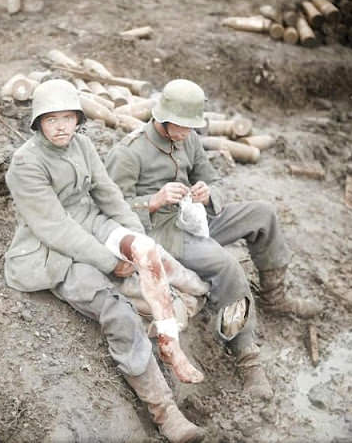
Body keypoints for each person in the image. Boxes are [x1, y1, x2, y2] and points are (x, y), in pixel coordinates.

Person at [4, 79, 215, 442]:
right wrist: (109, 261)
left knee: (153, 257)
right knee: (117, 310)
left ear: (77, 119)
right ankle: (165, 413)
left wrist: (136, 236)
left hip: (92, 225)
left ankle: (190, 305)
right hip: (54, 254)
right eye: (51, 119)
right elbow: (55, 229)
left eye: (68, 118)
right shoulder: (25, 163)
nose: (61, 127)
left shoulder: (82, 145)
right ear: (37, 122)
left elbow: (109, 195)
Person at [106, 79, 322, 399]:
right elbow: (111, 209)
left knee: (263, 214)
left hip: (194, 216)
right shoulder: (130, 151)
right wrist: (153, 200)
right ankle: (247, 357)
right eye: (180, 126)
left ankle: (275, 297)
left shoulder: (189, 138)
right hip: (162, 233)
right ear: (162, 119)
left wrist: (208, 194)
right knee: (227, 266)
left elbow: (210, 177)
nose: (186, 133)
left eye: (191, 126)